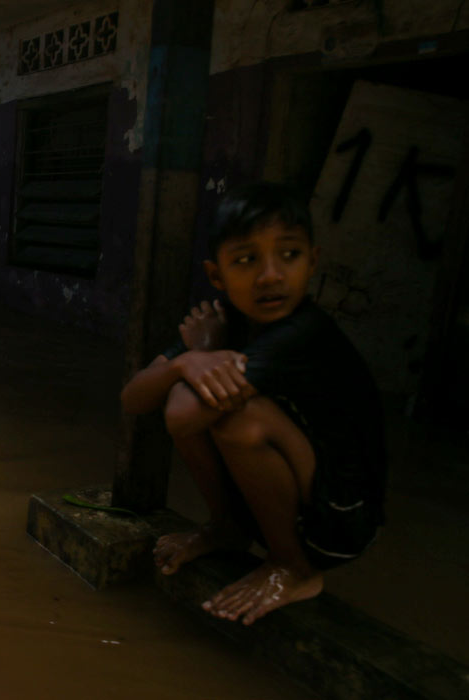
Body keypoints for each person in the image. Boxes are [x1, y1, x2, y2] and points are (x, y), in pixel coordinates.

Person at [120, 182, 385, 626]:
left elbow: (180, 415)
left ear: (312, 261)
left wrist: (197, 355)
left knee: (237, 419)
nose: (270, 276)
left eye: (289, 255)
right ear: (217, 276)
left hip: (341, 523)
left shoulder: (303, 333)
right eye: (246, 260)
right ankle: (227, 528)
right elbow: (132, 398)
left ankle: (294, 569)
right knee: (208, 400)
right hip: (295, 504)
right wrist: (185, 362)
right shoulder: (227, 320)